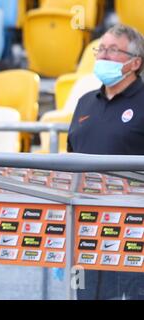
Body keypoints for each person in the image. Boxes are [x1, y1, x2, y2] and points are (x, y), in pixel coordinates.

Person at [68, 24, 144, 300]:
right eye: (100, 48)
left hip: (134, 232)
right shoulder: (85, 102)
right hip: (87, 229)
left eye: (113, 50)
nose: (103, 56)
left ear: (135, 62)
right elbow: (70, 159)